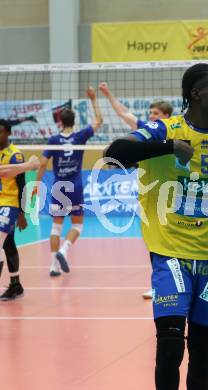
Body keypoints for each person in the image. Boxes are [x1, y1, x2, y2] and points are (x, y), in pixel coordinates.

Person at [104, 63, 208, 390]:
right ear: (195, 94)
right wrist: (168, 147)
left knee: (204, 345)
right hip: (170, 251)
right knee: (170, 343)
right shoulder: (166, 129)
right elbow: (113, 153)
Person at [99, 81, 173, 299]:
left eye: (156, 113)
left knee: (173, 244)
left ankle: (175, 284)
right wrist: (108, 93)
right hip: (150, 197)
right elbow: (123, 113)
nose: (151, 117)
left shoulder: (176, 133)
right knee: (154, 243)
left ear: (167, 115)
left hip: (172, 194)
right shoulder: (146, 131)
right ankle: (159, 285)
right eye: (150, 113)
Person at [32, 87, 102, 276]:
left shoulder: (54, 139)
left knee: (56, 226)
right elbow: (99, 121)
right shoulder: (80, 136)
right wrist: (93, 99)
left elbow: (43, 164)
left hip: (58, 187)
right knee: (78, 225)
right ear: (74, 121)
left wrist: (37, 185)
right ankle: (64, 249)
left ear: (60, 121)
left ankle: (53, 265)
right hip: (75, 187)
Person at [0, 119, 40, 300]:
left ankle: (15, 285)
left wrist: (22, 212)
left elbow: (22, 184)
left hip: (9, 204)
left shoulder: (15, 155)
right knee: (8, 244)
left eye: (0, 131)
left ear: (8, 133)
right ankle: (16, 285)